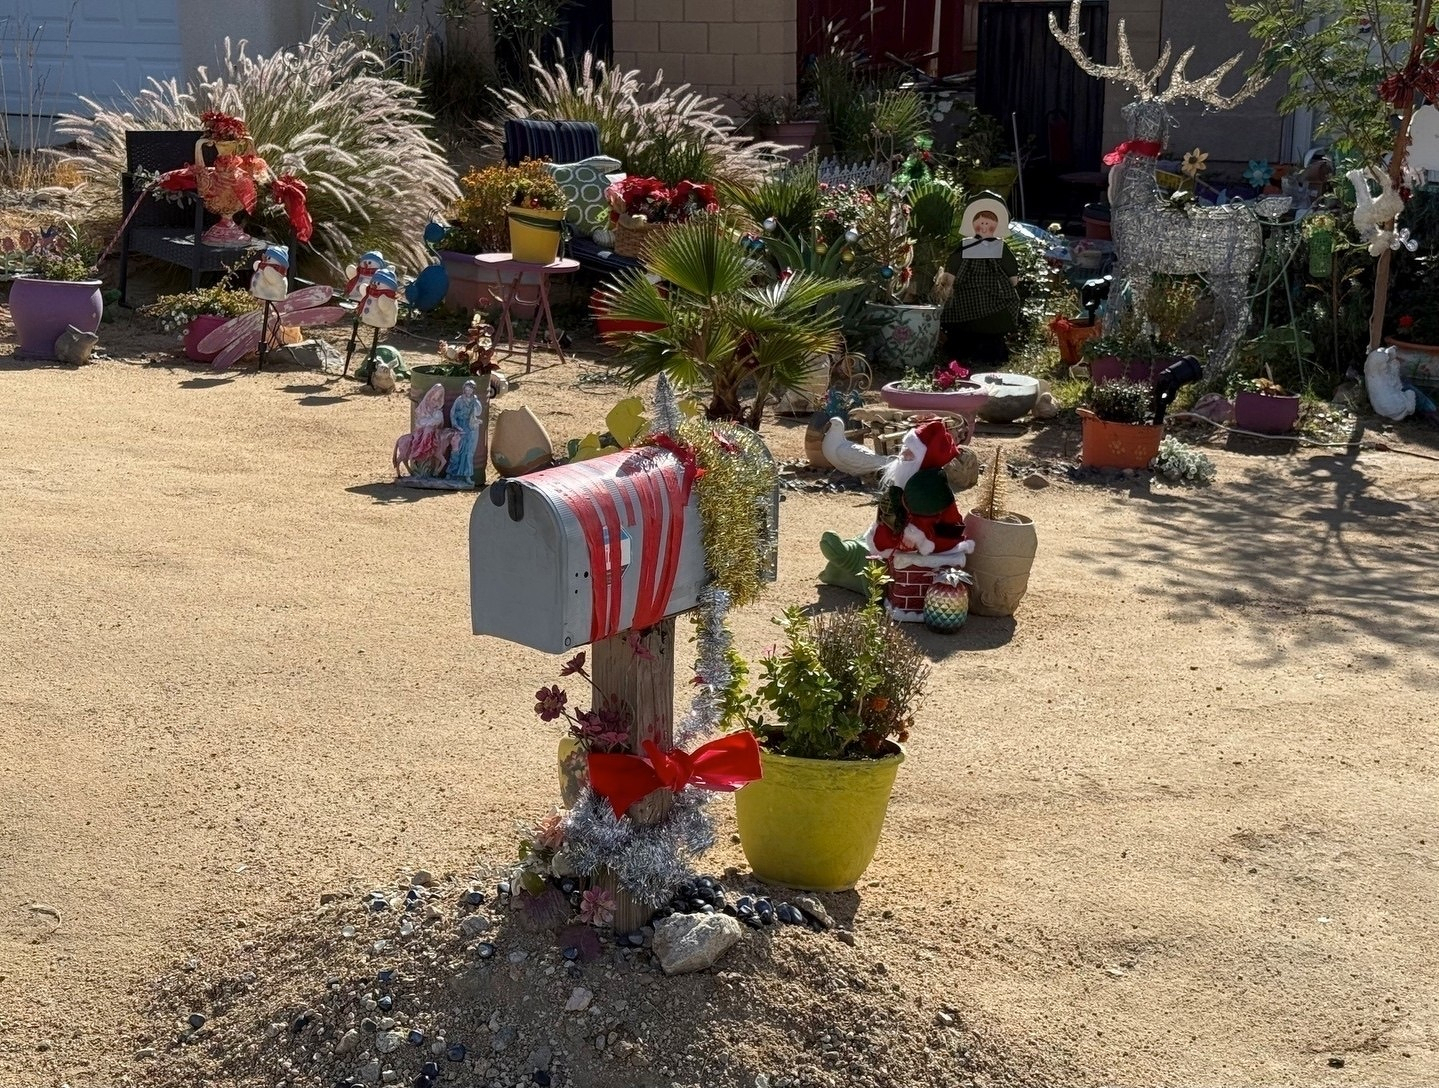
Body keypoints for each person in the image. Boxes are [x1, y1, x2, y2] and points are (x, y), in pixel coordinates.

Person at [940, 193, 1021, 365]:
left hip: (995, 288)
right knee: (961, 315)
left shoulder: (999, 246)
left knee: (997, 316)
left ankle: (990, 349)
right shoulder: (966, 245)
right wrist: (950, 277)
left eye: (988, 223)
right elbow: (955, 260)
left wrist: (1012, 276)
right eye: (980, 222)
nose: (984, 226)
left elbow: (1008, 263)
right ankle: (963, 347)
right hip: (966, 286)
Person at [445, 380, 484, 485]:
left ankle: (467, 475)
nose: (468, 392)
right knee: (456, 450)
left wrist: (475, 402)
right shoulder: (459, 400)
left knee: (468, 453)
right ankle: (451, 473)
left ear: (473, 390)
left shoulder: (475, 401)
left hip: (471, 428)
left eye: (470, 390)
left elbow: (478, 412)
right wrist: (456, 425)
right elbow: (453, 413)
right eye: (466, 390)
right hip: (460, 427)